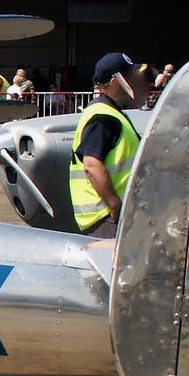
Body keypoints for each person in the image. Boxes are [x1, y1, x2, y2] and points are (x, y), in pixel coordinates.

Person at [69, 52, 147, 239]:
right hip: (106, 218)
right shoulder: (103, 117)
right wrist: (114, 205)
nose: (136, 80)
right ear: (115, 81)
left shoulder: (112, 113)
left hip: (111, 216)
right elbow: (92, 165)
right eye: (130, 76)